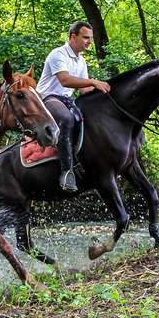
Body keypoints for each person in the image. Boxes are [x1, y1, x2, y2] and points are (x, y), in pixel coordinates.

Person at [36, 20, 111, 192]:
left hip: (65, 101)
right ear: (73, 37)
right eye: (85, 38)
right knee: (66, 118)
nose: (89, 42)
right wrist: (93, 81)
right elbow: (65, 80)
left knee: (89, 118)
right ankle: (66, 171)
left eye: (90, 39)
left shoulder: (81, 61)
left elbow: (84, 90)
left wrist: (106, 92)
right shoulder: (58, 54)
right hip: (47, 99)